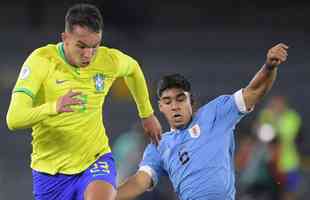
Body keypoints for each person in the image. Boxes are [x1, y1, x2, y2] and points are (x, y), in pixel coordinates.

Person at [6, 3, 161, 200]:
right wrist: (54, 107)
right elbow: (14, 119)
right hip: (49, 173)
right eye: (81, 46)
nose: (88, 54)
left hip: (95, 160)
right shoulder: (41, 61)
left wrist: (146, 114)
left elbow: (133, 69)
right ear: (65, 38)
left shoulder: (108, 60)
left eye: (95, 46)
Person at [116, 43, 289, 200]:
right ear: (161, 107)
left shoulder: (215, 113)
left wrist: (269, 66)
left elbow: (254, 91)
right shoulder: (159, 145)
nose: (175, 106)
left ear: (191, 101)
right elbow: (140, 181)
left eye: (180, 99)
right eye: (168, 102)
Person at [257, 95, 302, 200]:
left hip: (289, 163)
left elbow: (287, 135)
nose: (277, 107)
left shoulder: (292, 116)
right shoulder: (266, 114)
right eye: (274, 104)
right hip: (270, 164)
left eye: (279, 104)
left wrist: (275, 120)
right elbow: (261, 134)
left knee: (289, 193)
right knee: (270, 194)